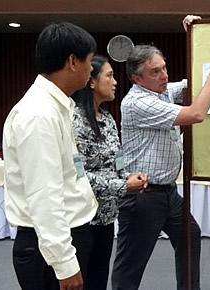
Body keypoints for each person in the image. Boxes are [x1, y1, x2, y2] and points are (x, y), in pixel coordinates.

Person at [111, 15, 210, 290]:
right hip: (143, 195)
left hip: (167, 194)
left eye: (164, 68)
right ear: (136, 78)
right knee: (130, 267)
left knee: (190, 237)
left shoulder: (161, 92)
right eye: (155, 71)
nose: (164, 75)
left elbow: (195, 82)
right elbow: (196, 113)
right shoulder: (137, 102)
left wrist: (197, 36)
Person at [2, 22, 98, 290]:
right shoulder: (38, 115)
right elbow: (44, 195)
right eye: (89, 61)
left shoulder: (56, 106)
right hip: (48, 246)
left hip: (63, 237)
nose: (92, 69)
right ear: (72, 62)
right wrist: (64, 263)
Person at [70, 54, 148, 290]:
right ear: (92, 81)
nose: (115, 82)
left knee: (98, 281)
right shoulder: (75, 121)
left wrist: (128, 177)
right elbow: (78, 176)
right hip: (81, 221)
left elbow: (116, 164)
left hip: (106, 217)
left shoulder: (108, 119)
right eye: (110, 75)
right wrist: (124, 186)